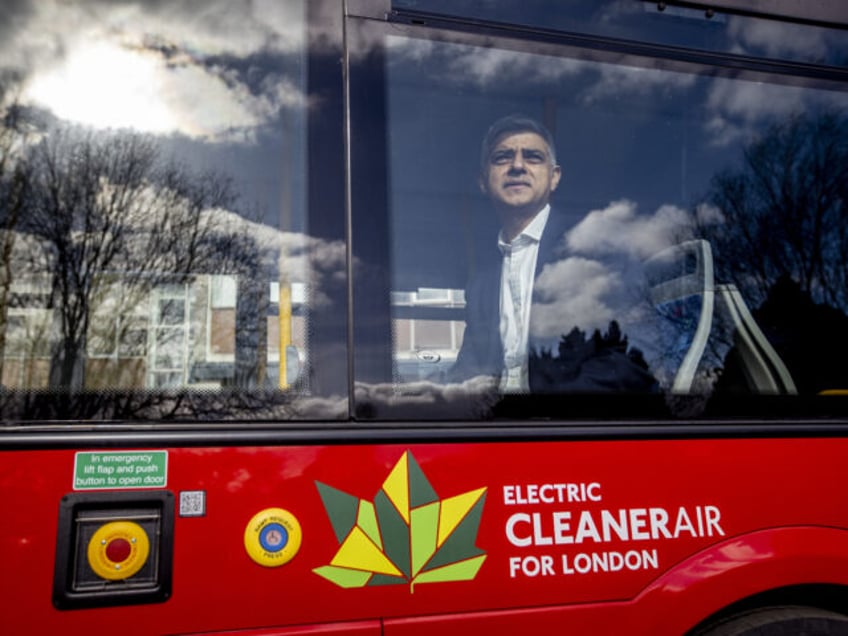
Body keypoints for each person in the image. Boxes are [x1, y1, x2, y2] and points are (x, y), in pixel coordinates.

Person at [449, 114, 656, 393]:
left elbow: (636, 356)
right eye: (502, 158)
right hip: (495, 425)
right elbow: (467, 372)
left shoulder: (597, 246)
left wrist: (547, 410)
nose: (517, 166)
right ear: (483, 181)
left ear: (554, 177)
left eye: (533, 157)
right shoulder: (481, 287)